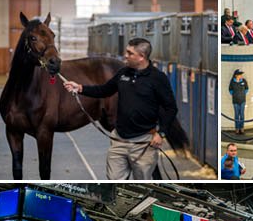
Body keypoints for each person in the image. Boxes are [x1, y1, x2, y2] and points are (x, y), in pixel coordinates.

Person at [64, 37, 177, 180]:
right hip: (119, 140)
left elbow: (171, 108)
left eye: (130, 53)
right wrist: (80, 88)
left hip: (143, 143)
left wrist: (161, 133)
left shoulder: (157, 78)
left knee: (141, 184)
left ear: (141, 57)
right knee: (113, 181)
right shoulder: (123, 73)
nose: (126, 55)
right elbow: (104, 90)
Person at [228, 70, 248, 134]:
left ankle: (241, 128)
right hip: (235, 101)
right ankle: (237, 128)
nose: (241, 76)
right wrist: (234, 95)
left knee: (242, 115)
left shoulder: (244, 81)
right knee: (236, 115)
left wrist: (243, 94)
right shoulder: (232, 82)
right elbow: (230, 89)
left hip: (242, 101)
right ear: (236, 75)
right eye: (240, 74)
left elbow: (247, 89)